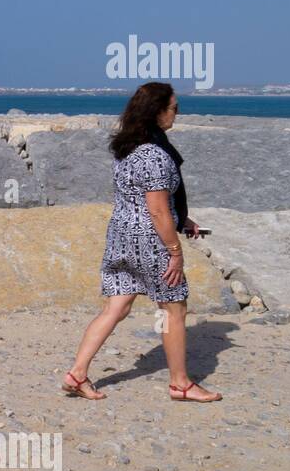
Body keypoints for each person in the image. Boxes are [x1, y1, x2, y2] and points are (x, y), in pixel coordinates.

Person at [62, 82, 222, 402]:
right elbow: (158, 210)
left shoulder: (127, 148)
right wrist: (174, 251)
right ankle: (180, 383)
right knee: (173, 309)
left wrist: (183, 219)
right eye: (174, 107)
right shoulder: (155, 155)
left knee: (116, 307)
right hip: (150, 241)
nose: (177, 113)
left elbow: (139, 198)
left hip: (121, 236)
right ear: (158, 111)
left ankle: (76, 373)